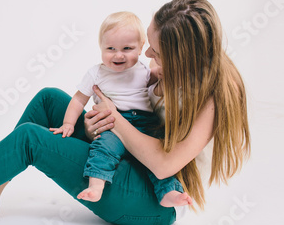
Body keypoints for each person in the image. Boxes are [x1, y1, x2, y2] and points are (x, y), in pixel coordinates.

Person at [0, 0, 250, 225]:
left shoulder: (214, 98)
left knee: (31, 139)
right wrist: (101, 123)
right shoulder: (171, 70)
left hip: (149, 200)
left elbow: (164, 166)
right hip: (123, 160)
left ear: (184, 59)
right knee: (50, 99)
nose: (146, 56)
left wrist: (112, 119)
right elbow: (128, 128)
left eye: (156, 52)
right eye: (148, 45)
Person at [50, 11, 191, 207]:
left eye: (127, 48)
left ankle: (168, 192)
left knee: (157, 156)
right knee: (103, 150)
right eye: (110, 48)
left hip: (145, 122)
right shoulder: (96, 73)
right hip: (113, 124)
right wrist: (68, 123)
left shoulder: (143, 70)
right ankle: (96, 185)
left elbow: (165, 74)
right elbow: (78, 100)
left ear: (141, 48)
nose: (118, 55)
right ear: (100, 47)